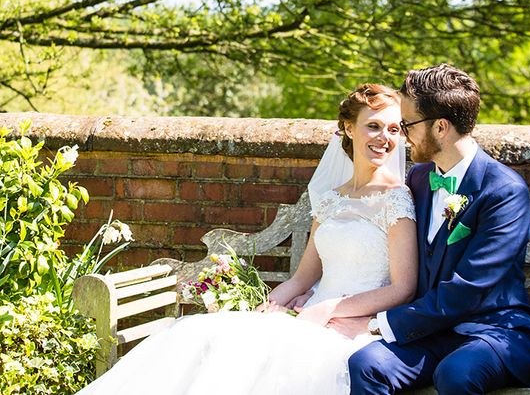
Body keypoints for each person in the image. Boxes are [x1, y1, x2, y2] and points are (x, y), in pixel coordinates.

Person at [74, 83, 417, 395]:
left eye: (393, 129)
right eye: (373, 125)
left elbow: (402, 288)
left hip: (349, 326)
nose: (384, 137)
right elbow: (303, 277)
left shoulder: (396, 199)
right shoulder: (329, 199)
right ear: (348, 128)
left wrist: (330, 310)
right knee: (197, 336)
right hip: (307, 315)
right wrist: (269, 306)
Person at [348, 64, 530, 395]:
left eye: (406, 124)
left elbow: (469, 288)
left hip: (494, 331)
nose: (400, 134)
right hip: (436, 333)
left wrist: (380, 323)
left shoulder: (504, 191)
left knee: (456, 374)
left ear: (441, 127)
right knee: (366, 365)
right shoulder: (419, 179)